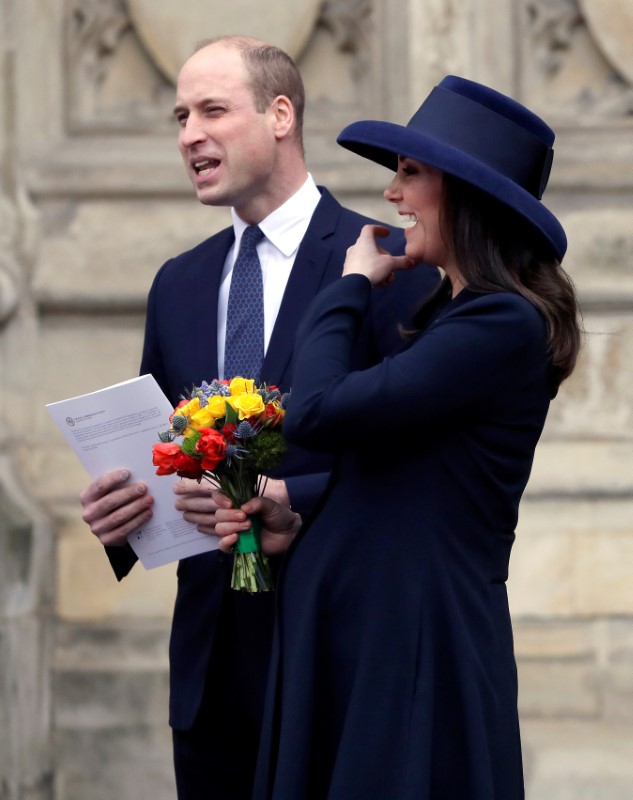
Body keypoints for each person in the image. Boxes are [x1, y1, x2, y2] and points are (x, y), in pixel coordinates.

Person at [78, 36, 439, 800]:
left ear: (281, 114)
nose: (188, 135)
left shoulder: (385, 260)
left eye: (212, 110)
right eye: (179, 117)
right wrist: (123, 515)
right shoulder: (178, 284)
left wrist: (289, 499)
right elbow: (164, 453)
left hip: (334, 651)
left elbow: (412, 462)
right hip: (211, 675)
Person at [213, 75, 582, 799]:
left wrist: (348, 286)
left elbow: (314, 410)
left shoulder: (499, 325)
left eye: (411, 174)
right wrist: (298, 505)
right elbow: (406, 476)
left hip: (415, 647)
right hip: (370, 639)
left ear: (465, 194)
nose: (392, 195)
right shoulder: (455, 321)